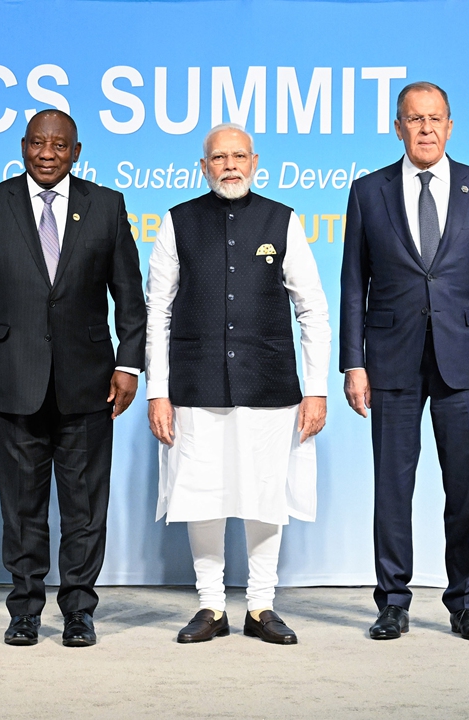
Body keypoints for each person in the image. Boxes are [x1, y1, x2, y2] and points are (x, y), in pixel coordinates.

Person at [0, 110, 145, 647]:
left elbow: (130, 295)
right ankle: (25, 609)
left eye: (59, 145)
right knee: (21, 506)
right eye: (38, 143)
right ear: (22, 146)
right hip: (10, 381)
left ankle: (79, 609)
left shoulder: (106, 206)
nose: (47, 153)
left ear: (76, 152)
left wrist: (129, 364)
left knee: (84, 507)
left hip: (88, 383)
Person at [339, 81, 469, 642]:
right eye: (414, 119)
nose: (425, 128)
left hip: (465, 360)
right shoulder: (368, 191)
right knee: (392, 488)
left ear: (450, 126)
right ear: (397, 127)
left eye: (435, 118)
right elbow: (354, 285)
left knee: (465, 486)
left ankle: (466, 602)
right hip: (391, 358)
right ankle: (393, 601)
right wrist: (354, 362)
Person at [146, 124, 330, 645]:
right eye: (218, 157)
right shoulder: (178, 221)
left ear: (255, 161)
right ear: (203, 166)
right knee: (201, 495)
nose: (230, 165)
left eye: (239, 156)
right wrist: (158, 390)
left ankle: (261, 606)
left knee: (264, 494)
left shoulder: (283, 220)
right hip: (194, 384)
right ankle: (209, 607)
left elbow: (312, 308)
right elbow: (156, 310)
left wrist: (315, 388)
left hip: (269, 383)